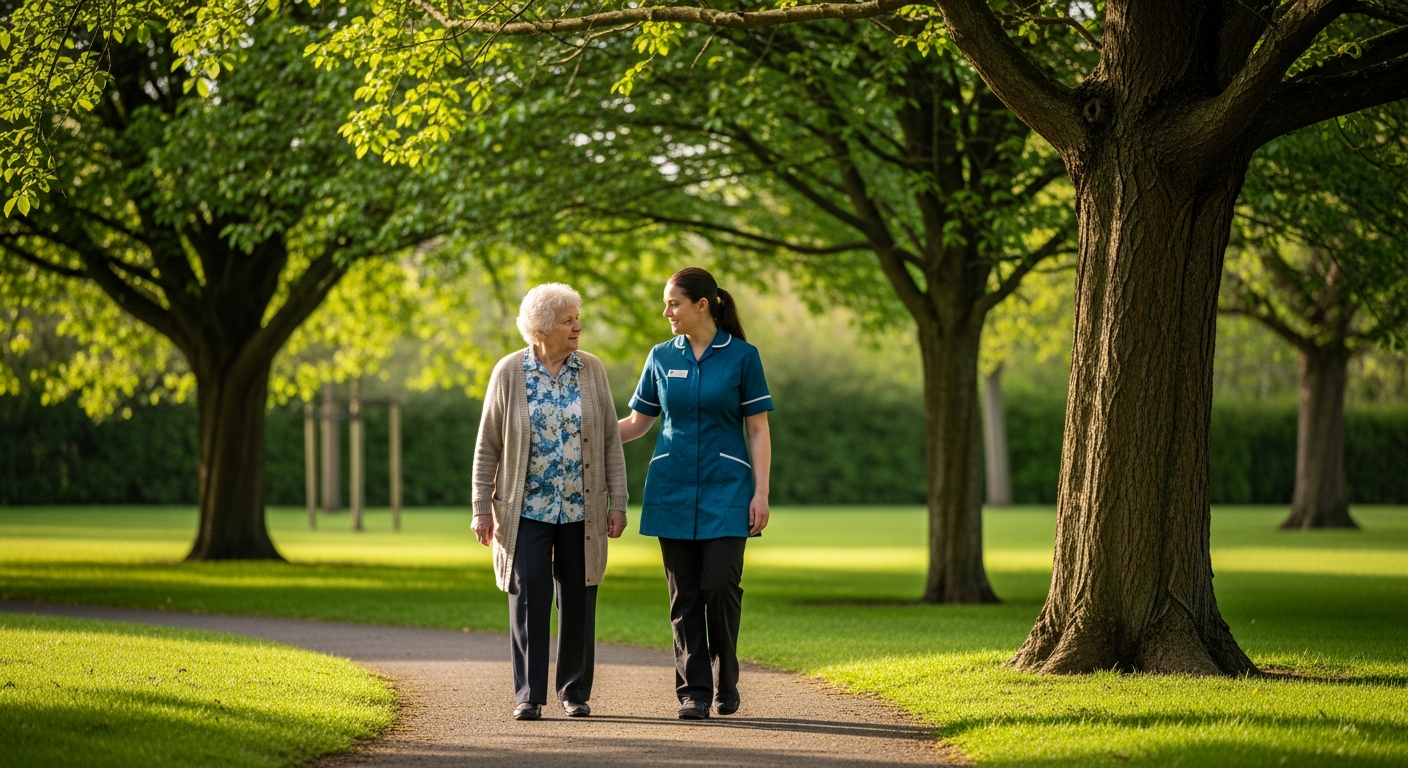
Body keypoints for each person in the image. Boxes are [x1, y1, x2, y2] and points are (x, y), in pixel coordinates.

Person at [618, 266, 773, 720]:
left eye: (673, 303)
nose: (666, 312)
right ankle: (694, 692)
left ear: (701, 305)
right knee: (683, 594)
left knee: (720, 585)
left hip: (728, 491)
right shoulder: (661, 357)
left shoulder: (743, 356)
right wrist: (586, 429)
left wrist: (761, 493)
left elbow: (759, 429)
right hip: (672, 489)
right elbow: (636, 423)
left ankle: (727, 677)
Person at [472, 283, 629, 721]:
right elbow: (488, 445)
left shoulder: (592, 370)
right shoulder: (508, 372)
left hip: (583, 507)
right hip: (525, 510)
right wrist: (481, 507)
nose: (578, 325)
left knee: (579, 597)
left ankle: (574, 692)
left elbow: (610, 442)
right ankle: (529, 694)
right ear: (542, 327)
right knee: (528, 597)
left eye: (577, 317)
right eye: (568, 319)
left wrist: (618, 501)